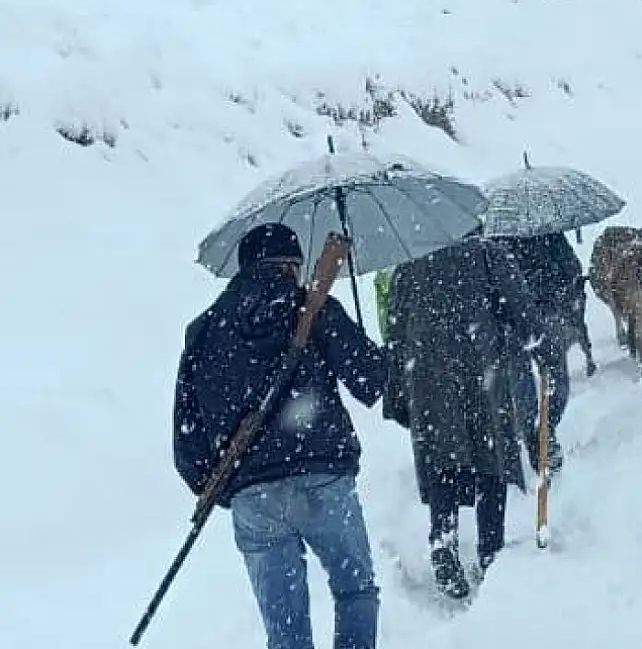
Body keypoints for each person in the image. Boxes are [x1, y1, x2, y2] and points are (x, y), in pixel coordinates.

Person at [172, 223, 388, 649]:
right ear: (291, 265)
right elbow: (372, 381)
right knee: (355, 590)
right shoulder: (312, 306)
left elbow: (188, 439)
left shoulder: (203, 330)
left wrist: (223, 486)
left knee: (286, 633)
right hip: (323, 478)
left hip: (251, 491)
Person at [383, 230, 559, 600]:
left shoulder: (407, 268)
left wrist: (398, 395)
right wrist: (543, 351)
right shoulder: (487, 255)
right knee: (489, 463)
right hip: (481, 374)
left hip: (427, 382)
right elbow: (522, 310)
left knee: (443, 463)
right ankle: (490, 552)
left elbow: (395, 335)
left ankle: (443, 537)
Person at [492, 231, 584, 473]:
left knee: (520, 379)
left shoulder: (494, 239)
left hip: (512, 318)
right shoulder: (546, 231)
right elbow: (571, 267)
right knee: (556, 377)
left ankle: (537, 432)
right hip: (543, 313)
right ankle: (543, 431)